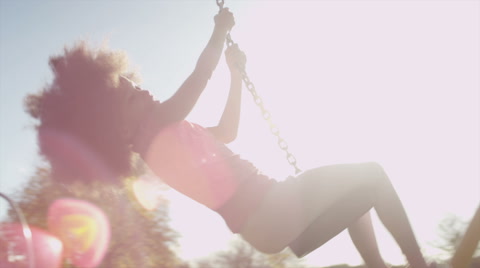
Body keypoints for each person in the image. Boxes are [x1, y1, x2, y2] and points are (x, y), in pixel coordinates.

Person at [25, 8, 433, 268]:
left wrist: (236, 75)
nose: (144, 90)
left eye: (135, 84)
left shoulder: (170, 138)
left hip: (271, 214)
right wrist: (219, 33)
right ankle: (419, 264)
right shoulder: (153, 135)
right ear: (117, 129)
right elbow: (197, 80)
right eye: (132, 96)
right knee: (374, 175)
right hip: (271, 209)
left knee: (357, 199)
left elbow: (229, 132)